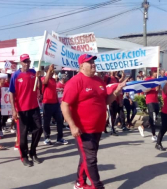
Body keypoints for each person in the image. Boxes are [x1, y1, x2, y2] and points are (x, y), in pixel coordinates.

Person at [61, 54, 125, 189]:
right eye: (89, 62)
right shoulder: (75, 82)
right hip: (83, 129)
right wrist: (72, 126)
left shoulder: (98, 80)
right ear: (81, 66)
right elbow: (64, 105)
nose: (93, 64)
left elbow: (105, 101)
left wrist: (117, 91)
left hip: (97, 128)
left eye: (93, 62)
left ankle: (79, 183)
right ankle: (98, 186)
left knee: (87, 157)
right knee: (91, 159)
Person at [9, 54, 43, 167]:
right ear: (21, 62)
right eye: (24, 61)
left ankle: (32, 152)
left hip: (34, 107)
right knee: (22, 135)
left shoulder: (33, 72)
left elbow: (39, 85)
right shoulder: (16, 75)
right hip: (22, 109)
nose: (26, 63)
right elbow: (11, 93)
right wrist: (14, 110)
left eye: (28, 61)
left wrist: (39, 80)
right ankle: (24, 156)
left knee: (38, 129)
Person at [41, 64, 68, 145]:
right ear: (46, 71)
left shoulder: (53, 80)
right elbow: (45, 82)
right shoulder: (43, 78)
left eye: (53, 71)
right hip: (47, 103)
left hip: (55, 103)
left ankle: (60, 138)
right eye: (51, 70)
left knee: (59, 121)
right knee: (46, 122)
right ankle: (47, 138)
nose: (53, 72)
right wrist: (49, 70)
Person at [141, 68, 160, 140]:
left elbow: (159, 90)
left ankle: (143, 126)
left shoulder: (158, 80)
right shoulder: (147, 79)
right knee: (153, 117)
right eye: (155, 72)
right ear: (152, 72)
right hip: (150, 100)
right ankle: (153, 134)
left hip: (156, 100)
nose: (156, 73)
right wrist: (153, 87)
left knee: (153, 117)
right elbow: (144, 90)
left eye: (157, 72)